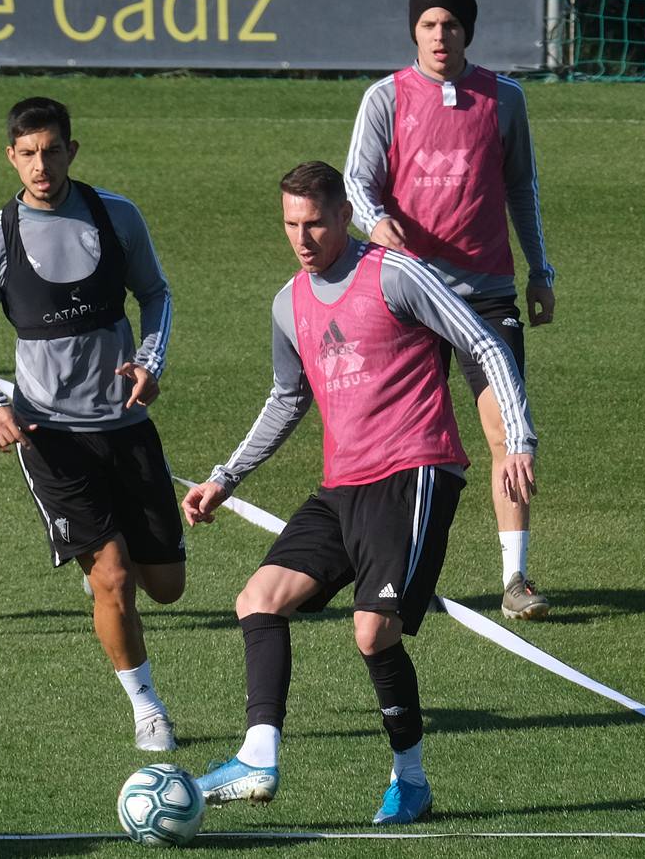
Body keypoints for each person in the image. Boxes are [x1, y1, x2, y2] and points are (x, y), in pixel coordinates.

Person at [183, 162, 536, 825]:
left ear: (343, 214)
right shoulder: (288, 302)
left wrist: (517, 437)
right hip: (341, 485)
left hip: (415, 471)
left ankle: (410, 781)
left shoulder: (395, 274)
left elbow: (482, 341)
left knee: (372, 634)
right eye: (290, 224)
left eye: (313, 221)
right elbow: (286, 398)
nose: (302, 237)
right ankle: (258, 756)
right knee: (257, 600)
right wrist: (225, 478)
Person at [0, 97, 185, 752]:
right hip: (48, 435)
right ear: (11, 157)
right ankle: (147, 708)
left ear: (72, 151)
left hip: (125, 424)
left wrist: (151, 359)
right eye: (27, 153)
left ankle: (107, 565)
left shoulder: (115, 217)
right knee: (112, 579)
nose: (40, 165)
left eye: (51, 150)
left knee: (164, 586)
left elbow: (156, 294)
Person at [344, 0, 557, 620]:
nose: (441, 36)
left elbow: (522, 188)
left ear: (468, 32)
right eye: (430, 25)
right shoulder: (385, 98)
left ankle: (516, 578)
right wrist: (375, 223)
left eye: (452, 25)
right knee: (399, 439)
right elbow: (358, 181)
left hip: (488, 294)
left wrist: (540, 270)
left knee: (507, 431)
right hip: (409, 295)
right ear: (415, 31)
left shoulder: (504, 99)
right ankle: (381, 565)